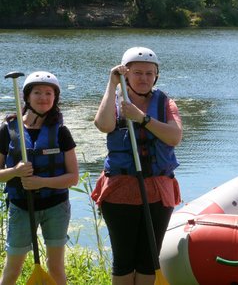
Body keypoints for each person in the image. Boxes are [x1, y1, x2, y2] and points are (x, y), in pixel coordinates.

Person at [91, 46, 183, 285]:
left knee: (148, 259)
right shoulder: (116, 100)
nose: (143, 78)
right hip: (120, 191)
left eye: (149, 74)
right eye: (137, 73)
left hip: (158, 191)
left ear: (156, 76)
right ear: (126, 74)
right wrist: (112, 84)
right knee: (123, 260)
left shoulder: (165, 103)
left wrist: (142, 119)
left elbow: (174, 137)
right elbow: (103, 125)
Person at [0, 71, 79, 285]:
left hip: (56, 207)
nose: (43, 98)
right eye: (37, 92)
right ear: (27, 97)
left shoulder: (61, 131)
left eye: (48, 93)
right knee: (12, 269)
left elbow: (73, 177)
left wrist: (42, 182)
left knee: (56, 268)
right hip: (21, 207)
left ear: (55, 98)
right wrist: (15, 171)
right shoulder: (8, 130)